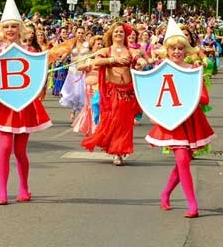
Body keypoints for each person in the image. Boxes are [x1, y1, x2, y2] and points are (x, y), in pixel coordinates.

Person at [0, 0, 51, 205]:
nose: (10, 30)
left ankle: (24, 187)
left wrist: (34, 93)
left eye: (13, 26)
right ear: (2, 29)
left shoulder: (30, 51)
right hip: (3, 104)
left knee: (20, 151)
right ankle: (2, 191)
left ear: (20, 28)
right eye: (6, 26)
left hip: (24, 104)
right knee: (5, 147)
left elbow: (37, 76)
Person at [144, 19, 216, 218]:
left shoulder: (193, 71)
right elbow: (152, 97)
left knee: (182, 162)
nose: (176, 52)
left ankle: (165, 193)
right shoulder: (160, 71)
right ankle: (193, 205)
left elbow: (204, 98)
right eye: (173, 48)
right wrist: (153, 114)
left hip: (192, 121)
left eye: (180, 48)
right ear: (167, 50)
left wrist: (191, 92)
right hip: (172, 122)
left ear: (186, 50)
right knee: (183, 160)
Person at [81, 22, 148, 165]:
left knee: (125, 124)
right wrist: (113, 60)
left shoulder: (130, 50)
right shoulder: (107, 50)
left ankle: (120, 151)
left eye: (121, 32)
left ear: (125, 35)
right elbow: (97, 61)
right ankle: (116, 152)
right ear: (111, 34)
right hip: (113, 92)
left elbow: (138, 58)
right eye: (116, 32)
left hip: (128, 92)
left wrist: (141, 61)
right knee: (114, 121)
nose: (119, 34)